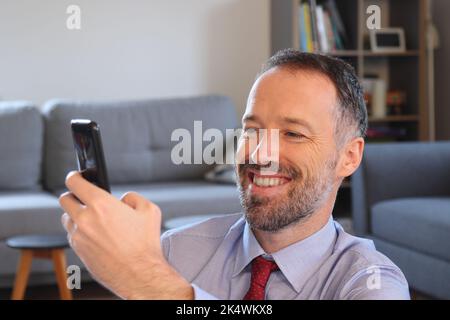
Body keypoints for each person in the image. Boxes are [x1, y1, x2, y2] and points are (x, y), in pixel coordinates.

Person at [59, 49, 410, 300]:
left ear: (349, 157)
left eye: (292, 134)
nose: (259, 155)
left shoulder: (370, 283)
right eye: (252, 130)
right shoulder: (173, 253)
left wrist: (151, 285)